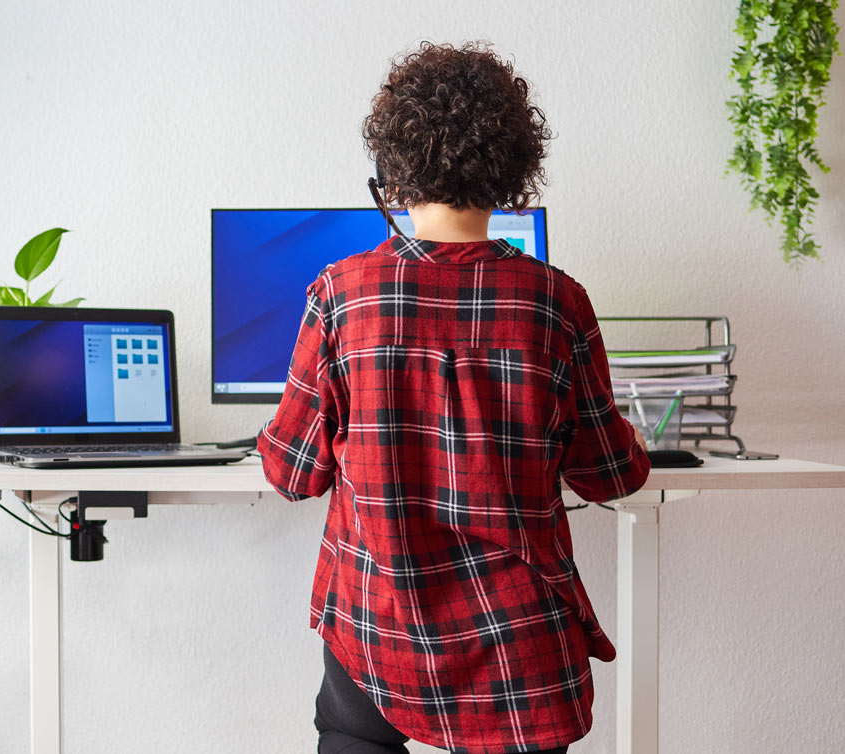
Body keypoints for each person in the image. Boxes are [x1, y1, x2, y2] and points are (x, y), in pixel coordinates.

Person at [257, 41, 651, 754]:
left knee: (350, 730)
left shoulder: (341, 297)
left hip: (381, 630)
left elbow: (292, 474)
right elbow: (610, 476)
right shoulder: (557, 304)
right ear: (511, 170)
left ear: (392, 173)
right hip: (518, 652)